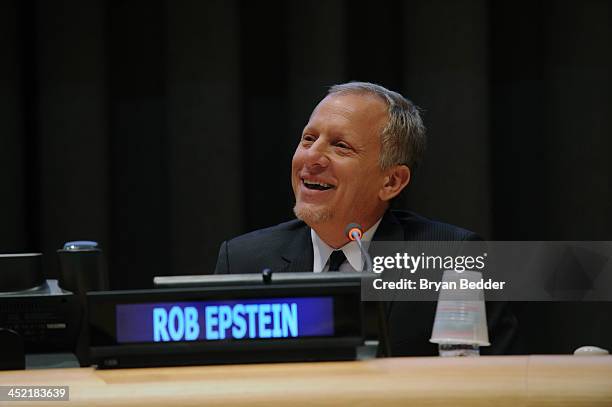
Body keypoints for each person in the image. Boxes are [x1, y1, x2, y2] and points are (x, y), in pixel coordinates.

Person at [215, 82, 518, 355]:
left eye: (340, 146)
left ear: (392, 182)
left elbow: (493, 386)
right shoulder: (244, 261)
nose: (312, 157)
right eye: (308, 139)